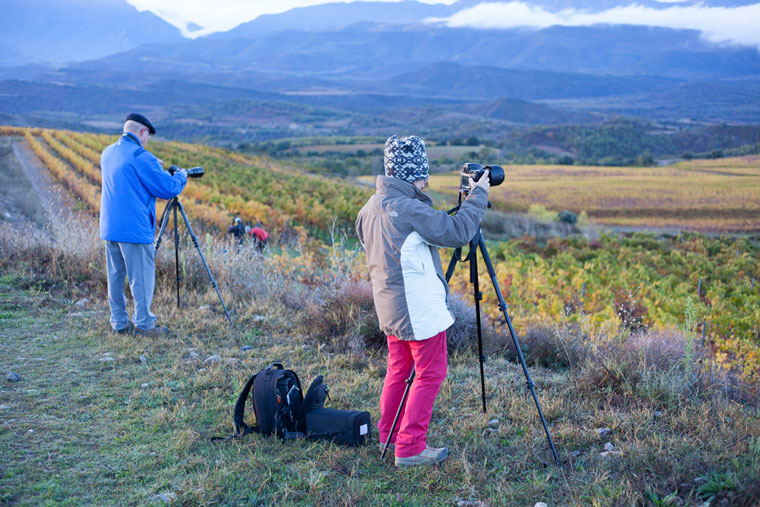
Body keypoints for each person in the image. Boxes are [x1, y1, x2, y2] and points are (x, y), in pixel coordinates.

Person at [355, 135, 490, 467]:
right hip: (418, 311)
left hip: (389, 307)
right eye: (422, 174)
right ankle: (411, 447)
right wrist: (479, 195)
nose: (426, 181)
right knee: (431, 372)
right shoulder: (410, 209)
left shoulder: (370, 207)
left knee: (400, 370)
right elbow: (459, 232)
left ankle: (389, 435)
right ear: (411, 174)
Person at [100, 113, 188, 337]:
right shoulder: (142, 156)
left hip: (110, 227)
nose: (147, 141)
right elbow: (167, 189)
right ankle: (144, 325)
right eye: (147, 136)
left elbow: (128, 178)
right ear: (142, 132)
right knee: (141, 279)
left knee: (116, 277)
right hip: (134, 230)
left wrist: (151, 164)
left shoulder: (108, 152)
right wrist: (182, 176)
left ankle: (119, 323)